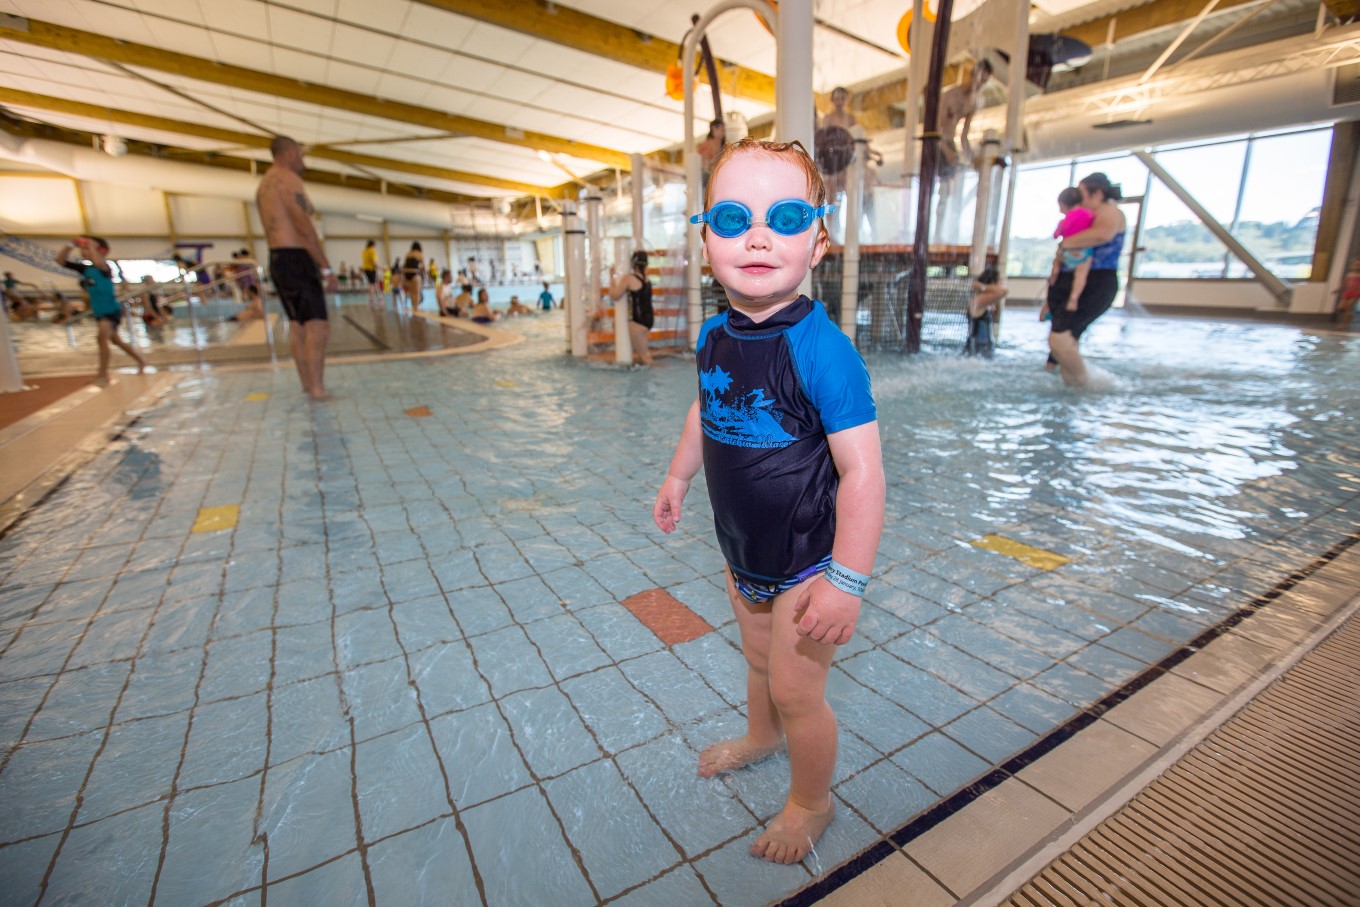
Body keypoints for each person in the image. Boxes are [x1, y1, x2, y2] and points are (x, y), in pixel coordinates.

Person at [655, 137, 884, 865]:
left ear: (818, 242)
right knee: (757, 659)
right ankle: (760, 738)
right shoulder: (713, 333)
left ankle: (813, 800)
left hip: (810, 558)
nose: (757, 235)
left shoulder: (823, 351)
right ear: (705, 239)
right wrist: (678, 477)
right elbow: (705, 411)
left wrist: (847, 580)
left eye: (784, 217)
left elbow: (866, 476)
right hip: (741, 547)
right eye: (732, 217)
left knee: (797, 688)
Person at [256, 135, 339, 400]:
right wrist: (325, 268)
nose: (303, 160)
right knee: (318, 326)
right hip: (296, 257)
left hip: (278, 259)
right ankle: (317, 389)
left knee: (298, 325)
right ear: (289, 152)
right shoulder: (288, 180)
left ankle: (307, 385)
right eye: (301, 154)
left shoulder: (264, 184)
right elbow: (303, 226)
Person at [1048, 171, 1126, 385]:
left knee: (1060, 340)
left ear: (1097, 193)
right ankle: (1072, 385)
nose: (1079, 198)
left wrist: (1065, 244)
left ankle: (1084, 386)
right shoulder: (1087, 215)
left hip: (1098, 281)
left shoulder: (1110, 212)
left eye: (1082, 193)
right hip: (1078, 280)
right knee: (1064, 340)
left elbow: (1102, 235)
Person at [56, 236, 148, 385]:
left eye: (88, 248)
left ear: (101, 252)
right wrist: (70, 244)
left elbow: (98, 261)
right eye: (83, 249)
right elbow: (60, 261)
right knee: (116, 340)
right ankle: (141, 360)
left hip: (110, 310)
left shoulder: (105, 267)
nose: (85, 251)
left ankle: (102, 375)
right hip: (100, 311)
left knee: (101, 338)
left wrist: (91, 246)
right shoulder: (85, 269)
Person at [939, 61, 992, 175]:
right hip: (937, 143)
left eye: (984, 82)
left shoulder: (972, 104)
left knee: (953, 178)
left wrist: (973, 159)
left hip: (950, 143)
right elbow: (934, 128)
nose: (981, 85)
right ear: (972, 76)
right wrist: (946, 151)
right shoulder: (950, 95)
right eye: (980, 79)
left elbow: (964, 137)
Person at [608, 250, 655, 366]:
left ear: (633, 264)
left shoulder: (628, 279)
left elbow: (615, 295)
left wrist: (611, 278)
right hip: (648, 320)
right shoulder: (647, 280)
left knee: (645, 358)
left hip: (637, 322)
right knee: (643, 356)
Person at [963, 268, 1007, 357]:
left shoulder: (986, 303)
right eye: (999, 281)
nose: (1000, 284)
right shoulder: (979, 300)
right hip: (978, 349)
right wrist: (982, 286)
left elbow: (996, 320)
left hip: (979, 347)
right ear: (993, 282)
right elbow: (1004, 291)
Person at [696, 119, 725, 185]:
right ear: (714, 129)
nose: (723, 133)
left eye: (724, 130)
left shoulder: (721, 146)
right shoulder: (706, 146)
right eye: (722, 130)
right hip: (708, 179)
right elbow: (705, 166)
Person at [1335, 257, 1360, 324]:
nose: (1357, 267)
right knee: (1341, 307)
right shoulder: (1349, 274)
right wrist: (1337, 289)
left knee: (1347, 307)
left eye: (1358, 265)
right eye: (1355, 265)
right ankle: (1350, 315)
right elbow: (1344, 283)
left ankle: (1344, 323)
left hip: (1356, 293)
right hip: (1348, 292)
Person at [401, 242, 424, 310]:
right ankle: (416, 307)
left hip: (406, 274)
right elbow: (423, 267)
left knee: (411, 291)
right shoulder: (419, 254)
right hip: (414, 273)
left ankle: (414, 305)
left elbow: (405, 265)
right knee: (416, 292)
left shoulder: (407, 253)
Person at [361, 239, 379, 304]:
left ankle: (374, 297)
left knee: (371, 283)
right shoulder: (372, 251)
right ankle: (372, 299)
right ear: (373, 245)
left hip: (365, 269)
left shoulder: (364, 251)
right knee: (372, 284)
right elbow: (374, 262)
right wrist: (381, 268)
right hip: (371, 269)